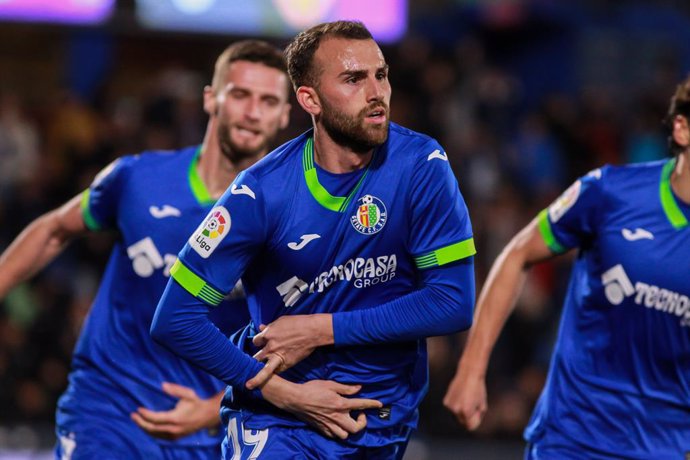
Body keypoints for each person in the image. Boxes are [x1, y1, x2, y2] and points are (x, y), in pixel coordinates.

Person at [151, 20, 476, 458]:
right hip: (280, 424)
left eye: (380, 74)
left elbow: (452, 301)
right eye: (353, 78)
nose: (376, 91)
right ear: (310, 99)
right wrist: (286, 395)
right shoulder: (260, 192)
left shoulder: (421, 165)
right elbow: (175, 318)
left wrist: (321, 330)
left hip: (384, 422)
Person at [0, 40, 293, 459]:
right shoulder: (137, 178)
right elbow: (53, 231)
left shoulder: (289, 221)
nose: (251, 112)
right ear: (211, 99)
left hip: (213, 430)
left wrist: (213, 410)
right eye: (240, 94)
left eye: (267, 101)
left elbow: (295, 346)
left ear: (284, 114)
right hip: (107, 409)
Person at [443, 77, 690, 458]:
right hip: (573, 439)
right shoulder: (610, 192)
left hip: (667, 448)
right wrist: (472, 370)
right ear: (682, 128)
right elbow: (517, 254)